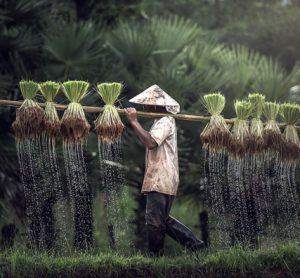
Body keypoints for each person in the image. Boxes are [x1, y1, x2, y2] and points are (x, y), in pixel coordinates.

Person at [125, 84, 204, 257]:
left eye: (147, 104)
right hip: (162, 177)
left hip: (161, 178)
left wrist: (134, 121)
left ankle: (155, 257)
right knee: (161, 220)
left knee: (154, 220)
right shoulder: (159, 122)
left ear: (156, 105)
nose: (144, 107)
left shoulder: (165, 121)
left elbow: (151, 142)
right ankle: (194, 244)